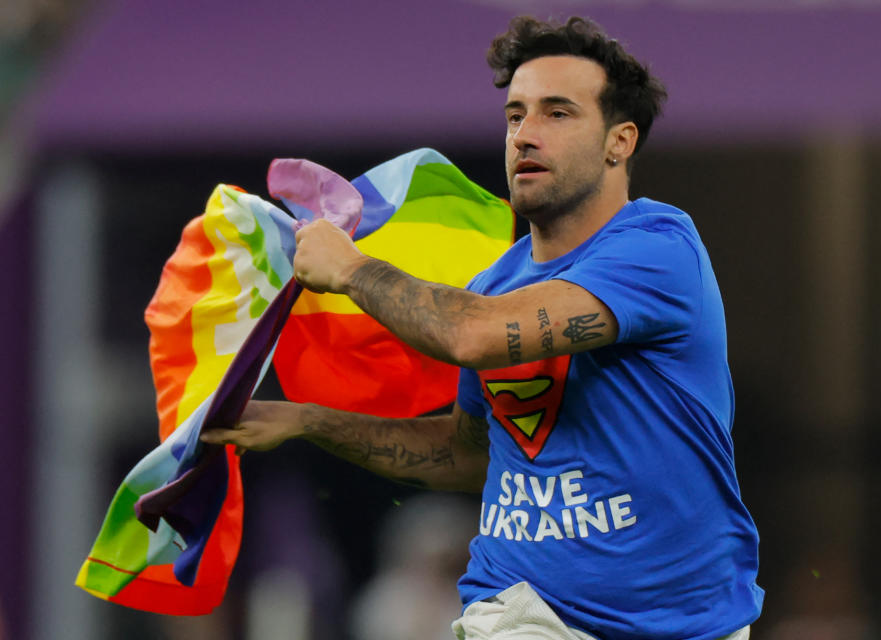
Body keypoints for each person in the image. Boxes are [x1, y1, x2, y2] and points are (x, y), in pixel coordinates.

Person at [202, 15, 763, 640]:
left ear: (619, 142)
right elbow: (470, 455)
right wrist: (308, 420)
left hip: (691, 623)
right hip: (526, 613)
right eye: (515, 115)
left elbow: (474, 336)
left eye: (557, 113)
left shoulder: (659, 249)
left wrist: (353, 270)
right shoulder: (495, 285)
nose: (525, 134)